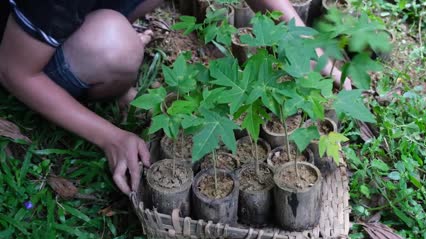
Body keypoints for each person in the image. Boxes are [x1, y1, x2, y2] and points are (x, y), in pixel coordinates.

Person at [0, 0, 351, 195]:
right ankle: (98, 53)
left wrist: (309, 48)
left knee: (110, 28)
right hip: (18, 51)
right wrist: (110, 136)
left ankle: (95, 34)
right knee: (113, 44)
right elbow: (14, 71)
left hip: (65, 17)